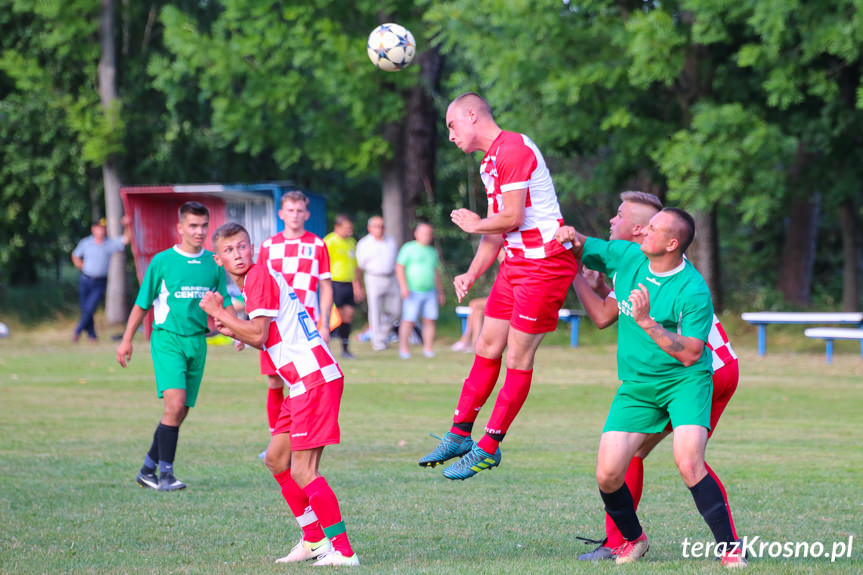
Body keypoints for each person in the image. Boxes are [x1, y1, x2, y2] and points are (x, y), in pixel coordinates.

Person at [555, 207, 746, 567]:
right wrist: (570, 237)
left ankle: (731, 549)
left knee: (689, 462)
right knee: (608, 473)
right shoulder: (628, 256)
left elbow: (691, 353)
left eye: (653, 229)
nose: (643, 233)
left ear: (672, 243)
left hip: (684, 381)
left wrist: (646, 322)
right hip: (638, 385)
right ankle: (634, 539)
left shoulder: (692, 289)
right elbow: (581, 247)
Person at [418, 92, 578, 480]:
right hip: (515, 265)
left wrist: (475, 224)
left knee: (517, 359)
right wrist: (472, 274)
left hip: (544, 267)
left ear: (472, 115)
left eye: (452, 125)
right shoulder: (490, 161)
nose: (450, 135)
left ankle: (489, 447)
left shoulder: (514, 149)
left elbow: (510, 217)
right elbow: (497, 229)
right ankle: (459, 434)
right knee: (486, 345)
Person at [200, 222, 359, 566]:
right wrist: (233, 326)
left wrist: (220, 313)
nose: (237, 254)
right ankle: (315, 540)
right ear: (219, 259)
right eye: (229, 250)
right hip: (301, 381)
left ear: (252, 247)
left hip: (312, 378)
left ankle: (344, 552)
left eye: (242, 247)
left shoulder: (257, 277)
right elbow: (265, 332)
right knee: (276, 459)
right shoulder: (253, 283)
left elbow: (258, 335)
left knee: (304, 471)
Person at [116, 202, 233, 492]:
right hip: (168, 339)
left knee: (180, 412)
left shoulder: (212, 263)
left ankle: (147, 469)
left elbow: (224, 303)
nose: (199, 231)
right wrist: (127, 339)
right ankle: (165, 475)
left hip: (197, 341)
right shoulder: (162, 261)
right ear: (180, 228)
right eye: (193, 226)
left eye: (204, 226)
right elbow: (142, 303)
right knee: (175, 405)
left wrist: (236, 332)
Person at [257, 191, 333, 451]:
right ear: (281, 214)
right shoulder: (268, 247)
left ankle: (298, 438)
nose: (295, 215)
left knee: (304, 383)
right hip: (275, 325)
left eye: (299, 211)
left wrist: (324, 324)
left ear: (307, 214)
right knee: (274, 381)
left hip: (305, 325)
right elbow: (258, 287)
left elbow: (326, 286)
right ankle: (275, 441)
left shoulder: (318, 245)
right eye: (290, 210)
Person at [71, 216, 130, 342]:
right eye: (99, 229)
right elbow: (75, 255)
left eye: (103, 229)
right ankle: (92, 335)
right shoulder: (86, 243)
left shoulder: (109, 243)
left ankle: (77, 331)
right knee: (86, 308)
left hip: (99, 281)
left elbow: (126, 240)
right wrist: (82, 267)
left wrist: (127, 226)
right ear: (93, 230)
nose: (102, 231)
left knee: (90, 307)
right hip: (85, 279)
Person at [395, 222, 445, 359]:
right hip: (412, 291)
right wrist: (403, 287)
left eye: (429, 234)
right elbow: (400, 268)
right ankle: (404, 349)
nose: (427, 236)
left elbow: (436, 272)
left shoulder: (432, 251)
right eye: (424, 233)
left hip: (430, 292)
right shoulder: (408, 248)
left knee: (429, 320)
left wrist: (440, 292)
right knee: (408, 320)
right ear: (416, 234)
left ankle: (428, 348)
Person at [355, 215, 400, 351]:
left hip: (391, 278)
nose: (379, 229)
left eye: (382, 226)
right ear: (370, 228)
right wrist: (358, 286)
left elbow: (396, 262)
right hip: (373, 277)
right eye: (376, 226)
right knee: (375, 310)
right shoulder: (364, 244)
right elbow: (358, 267)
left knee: (396, 310)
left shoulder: (391, 241)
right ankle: (377, 341)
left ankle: (381, 333)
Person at [324, 215, 364, 359]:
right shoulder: (329, 241)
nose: (349, 231)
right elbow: (323, 264)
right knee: (332, 317)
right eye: (346, 228)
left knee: (348, 315)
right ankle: (324, 349)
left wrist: (357, 286)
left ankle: (345, 349)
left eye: (350, 228)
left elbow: (355, 266)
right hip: (334, 283)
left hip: (348, 284)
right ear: (337, 227)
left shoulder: (352, 242)